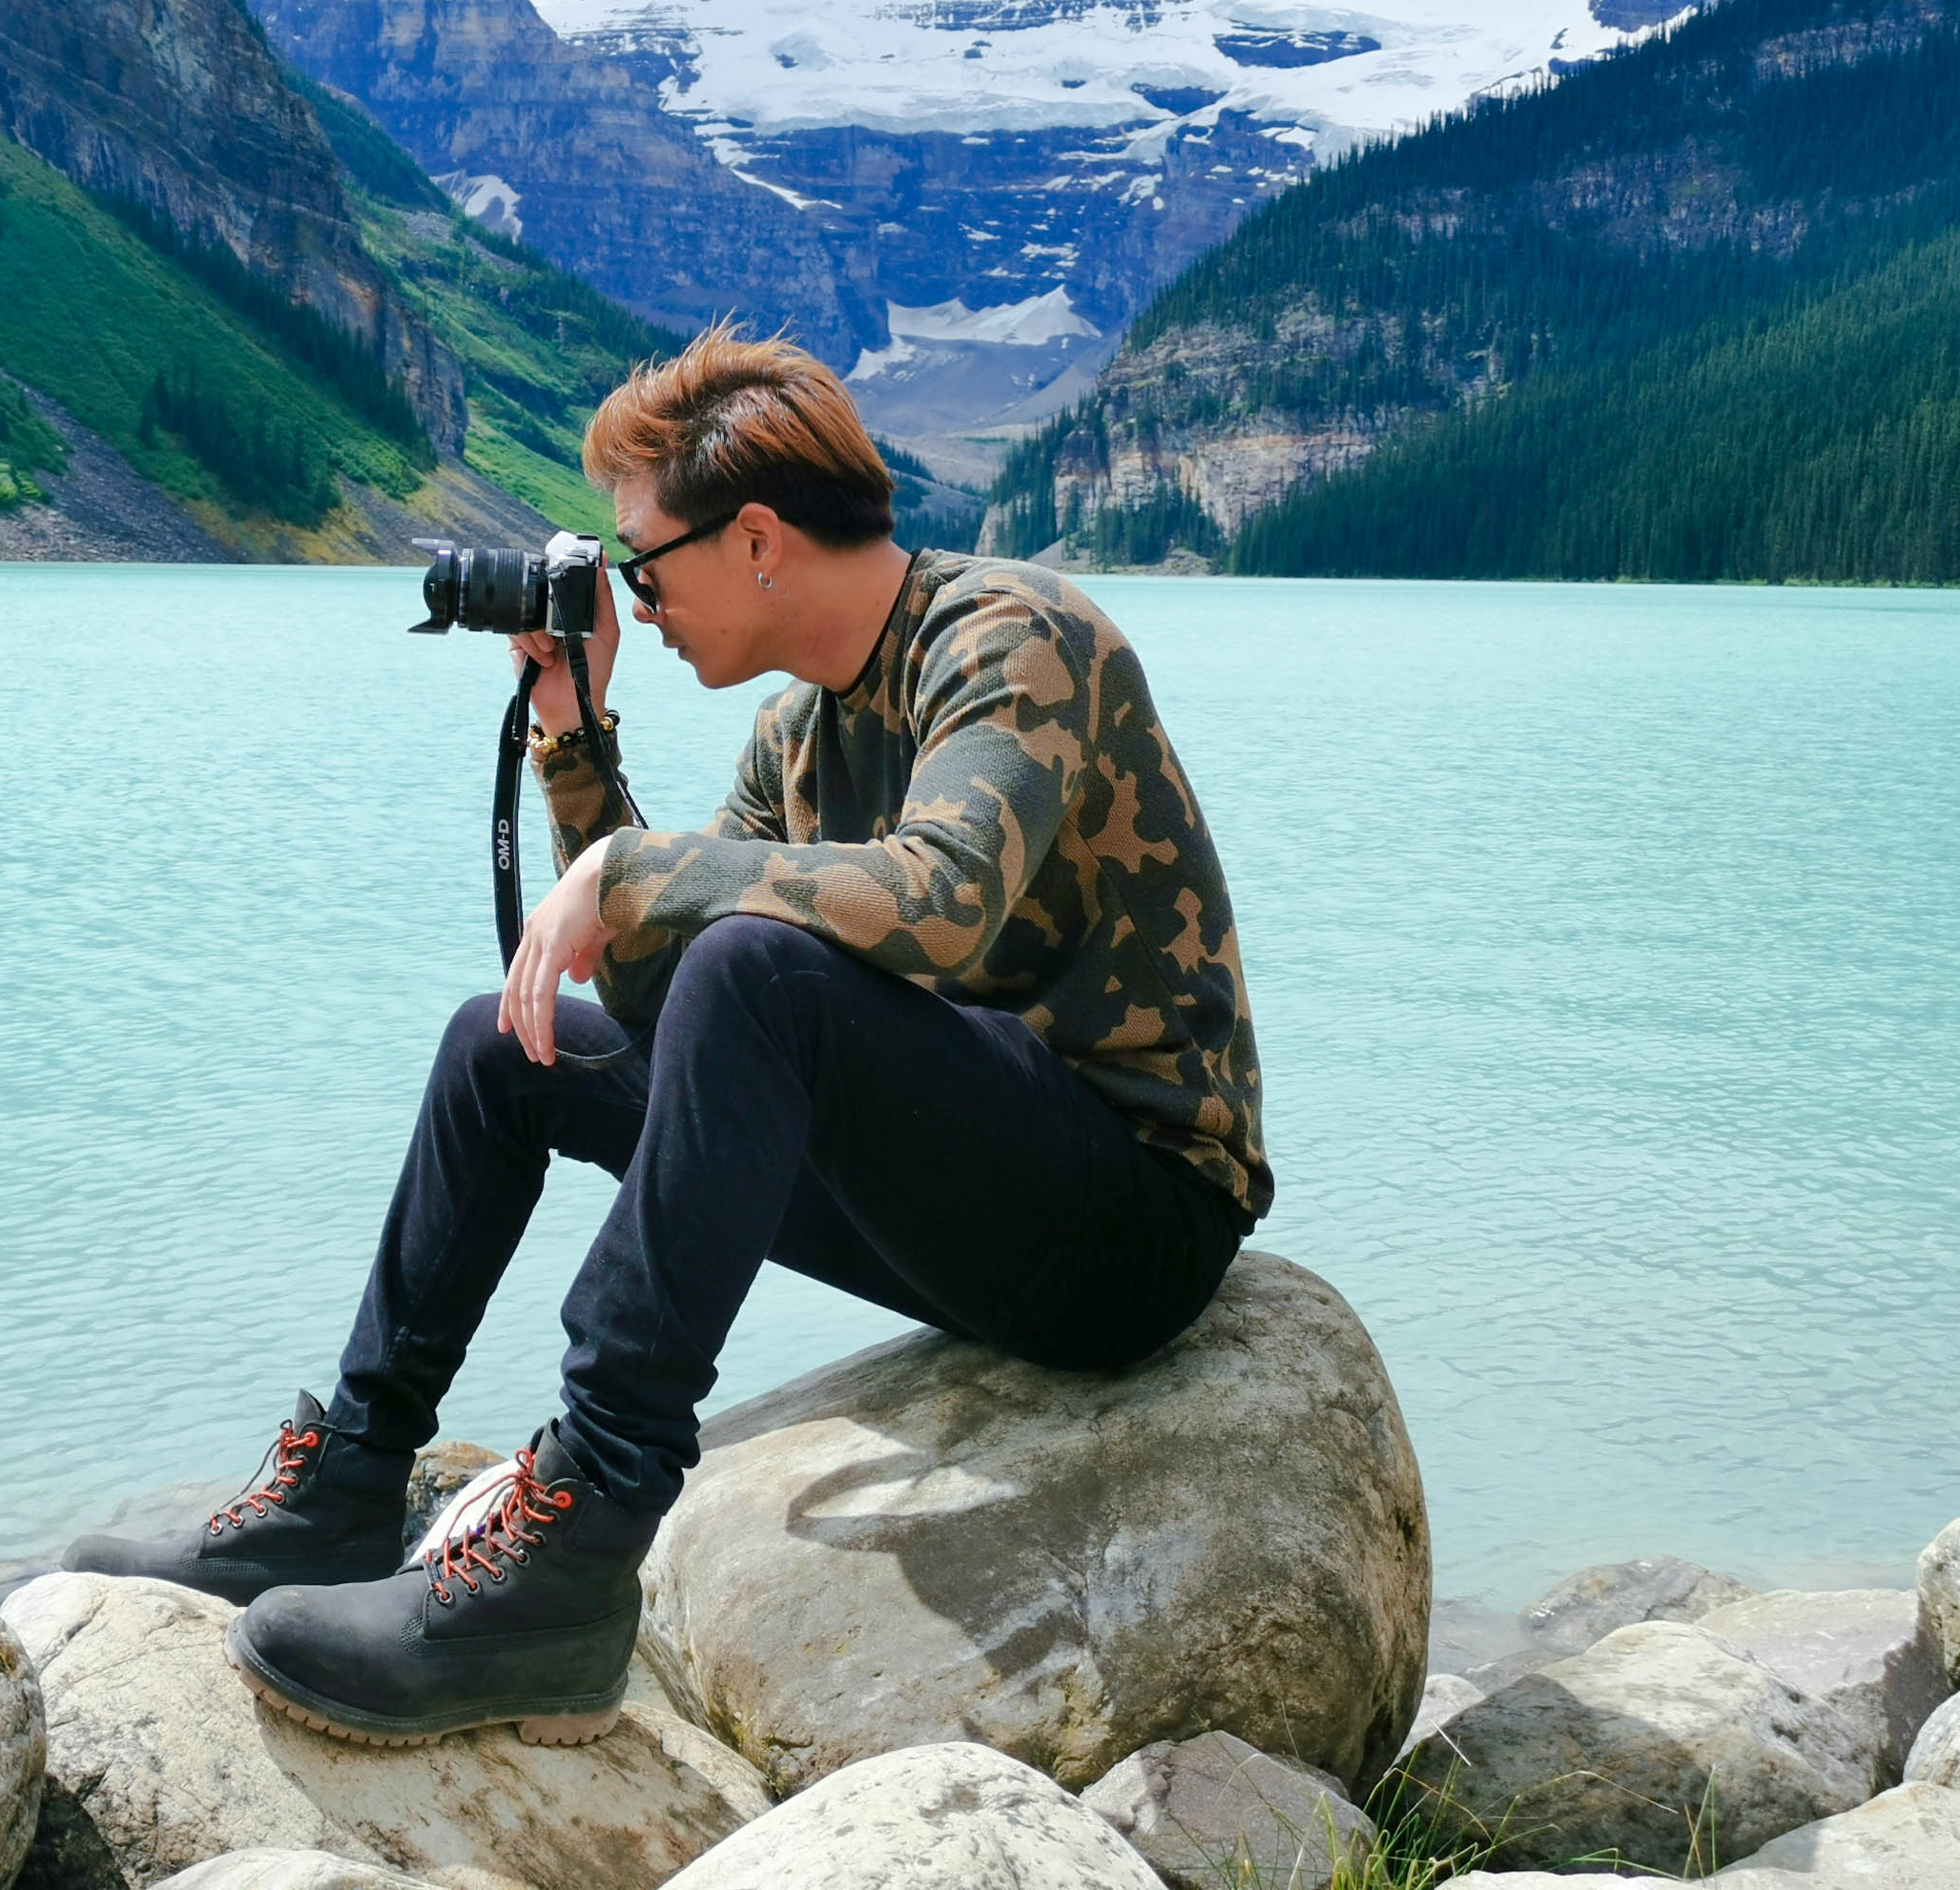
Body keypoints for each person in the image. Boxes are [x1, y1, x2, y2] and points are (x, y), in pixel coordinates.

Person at [70, 327, 1269, 1747]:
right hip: (960, 1208)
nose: (633, 597)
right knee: (500, 1047)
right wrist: (575, 737)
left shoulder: (1010, 636)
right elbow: (672, 1010)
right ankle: (345, 1479)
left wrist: (636, 873)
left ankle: (576, 1550)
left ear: (757, 540)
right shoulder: (794, 736)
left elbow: (938, 905)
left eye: (644, 564)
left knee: (761, 963)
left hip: (1129, 1225)